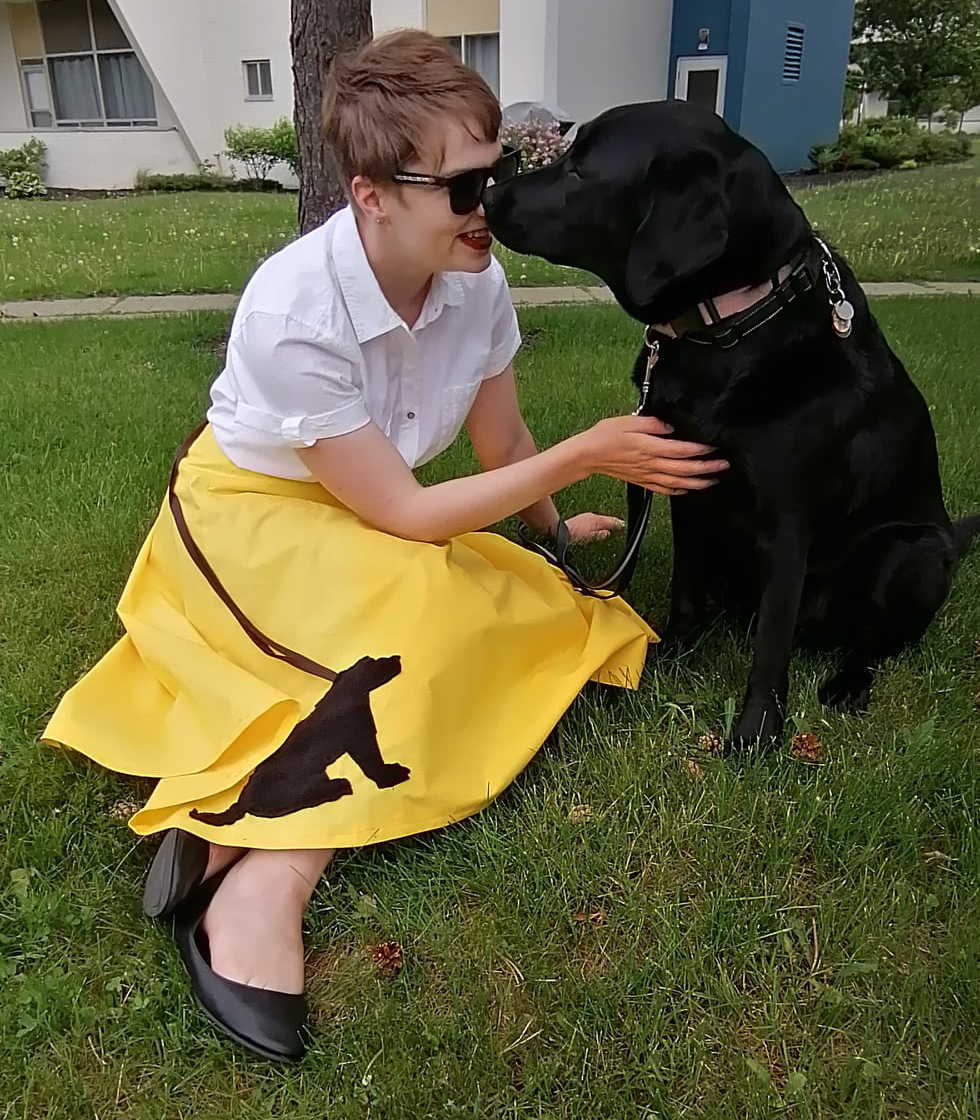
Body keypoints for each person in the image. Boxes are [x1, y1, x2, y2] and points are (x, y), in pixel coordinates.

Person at [42, 30, 728, 1062]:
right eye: (462, 189)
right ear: (372, 194)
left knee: (532, 612)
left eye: (497, 177)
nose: (488, 209)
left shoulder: (476, 282)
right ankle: (260, 877)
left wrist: (552, 537)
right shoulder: (292, 309)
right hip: (249, 515)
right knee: (414, 629)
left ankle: (228, 838)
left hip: (371, 512)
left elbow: (497, 441)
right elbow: (406, 515)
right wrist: (587, 454)